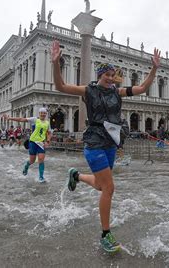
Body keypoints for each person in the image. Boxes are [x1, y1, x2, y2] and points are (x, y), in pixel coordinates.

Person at [51, 39, 160, 253]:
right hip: (94, 142)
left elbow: (143, 87)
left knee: (102, 185)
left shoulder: (117, 92)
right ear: (99, 75)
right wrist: (56, 63)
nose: (111, 78)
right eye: (107, 75)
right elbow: (61, 86)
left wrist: (154, 68)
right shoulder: (88, 91)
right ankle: (105, 234)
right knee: (109, 188)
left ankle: (77, 176)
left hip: (111, 142)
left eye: (113, 75)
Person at [4, 109, 51, 182]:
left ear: (46, 114)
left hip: (41, 143)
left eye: (44, 113)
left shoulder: (47, 123)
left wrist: (47, 141)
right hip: (33, 142)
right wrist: (10, 118)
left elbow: (49, 133)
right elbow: (21, 119)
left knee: (41, 159)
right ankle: (26, 166)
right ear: (39, 113)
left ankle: (41, 177)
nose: (43, 114)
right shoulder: (35, 119)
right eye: (41, 113)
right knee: (32, 160)